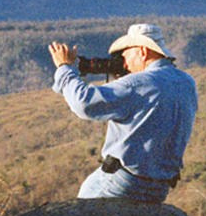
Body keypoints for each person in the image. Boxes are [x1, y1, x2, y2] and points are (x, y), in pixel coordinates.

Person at [48, 23, 198, 203]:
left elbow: (84, 103)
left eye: (125, 54)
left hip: (123, 183)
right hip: (160, 188)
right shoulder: (187, 82)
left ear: (142, 51)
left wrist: (65, 68)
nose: (124, 62)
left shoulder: (138, 84)